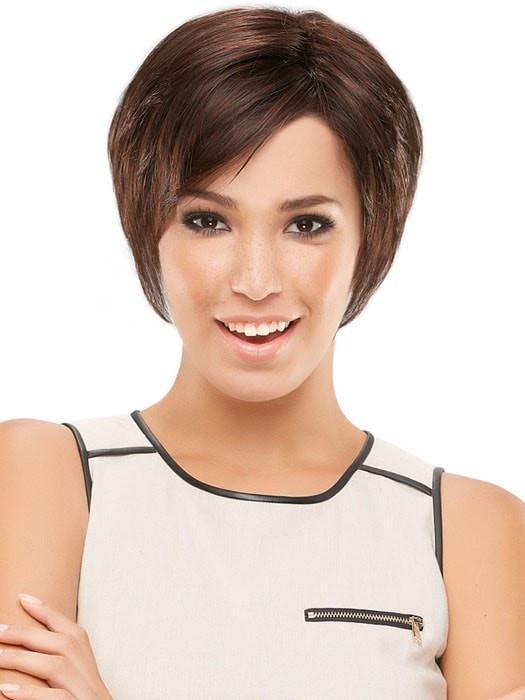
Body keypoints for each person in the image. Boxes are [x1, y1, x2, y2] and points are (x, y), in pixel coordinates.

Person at [1, 6, 524, 699]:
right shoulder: (45, 474)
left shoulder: (468, 529)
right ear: (147, 228)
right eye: (206, 220)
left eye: (306, 225)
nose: (254, 281)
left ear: (371, 237)